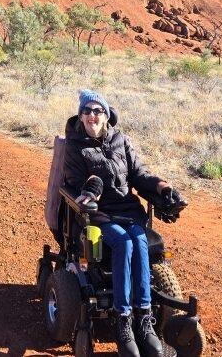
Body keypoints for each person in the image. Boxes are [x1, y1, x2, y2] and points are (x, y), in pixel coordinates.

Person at [62, 89, 180, 357]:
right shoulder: (75, 146)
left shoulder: (121, 141)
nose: (92, 116)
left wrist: (162, 187)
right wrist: (90, 190)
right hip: (96, 214)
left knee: (139, 240)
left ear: (107, 115)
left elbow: (139, 174)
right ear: (81, 116)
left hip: (128, 211)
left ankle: (144, 319)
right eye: (87, 111)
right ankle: (123, 320)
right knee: (124, 244)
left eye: (97, 111)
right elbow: (74, 183)